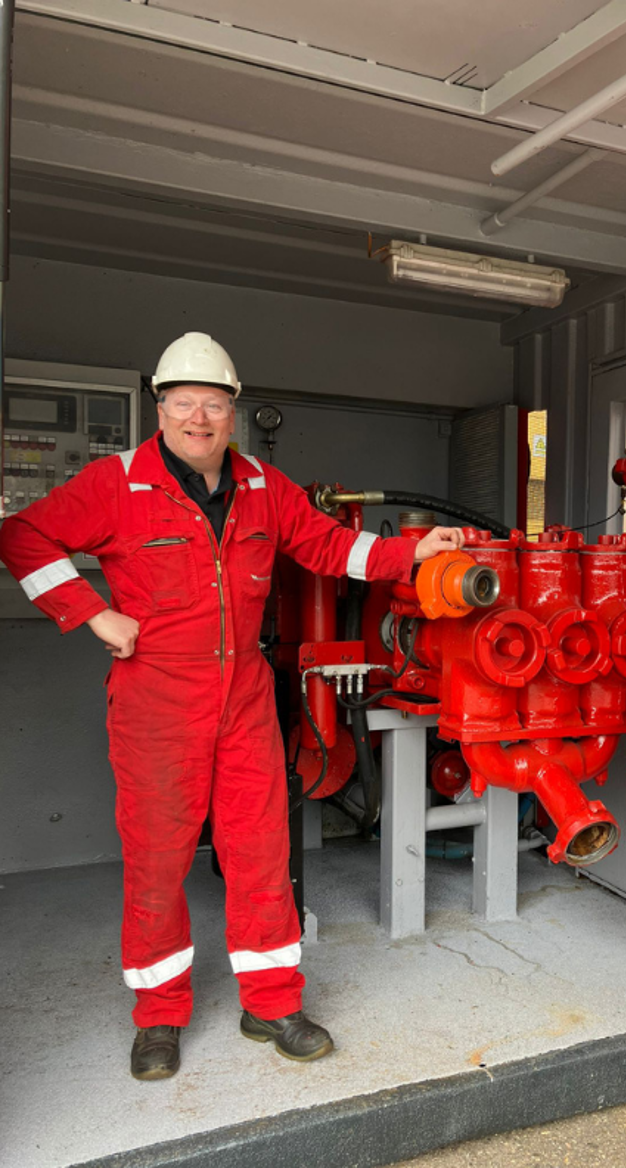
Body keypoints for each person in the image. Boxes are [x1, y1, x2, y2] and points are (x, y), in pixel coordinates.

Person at [0, 332, 466, 1081]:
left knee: (260, 853)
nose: (199, 418)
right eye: (184, 403)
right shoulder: (117, 482)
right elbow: (22, 535)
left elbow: (328, 546)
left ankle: (272, 1003)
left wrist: (411, 553)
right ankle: (158, 1016)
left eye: (213, 404)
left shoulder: (260, 485)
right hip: (155, 700)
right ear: (161, 409)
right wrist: (93, 614)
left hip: (244, 697)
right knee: (158, 862)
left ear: (232, 412)